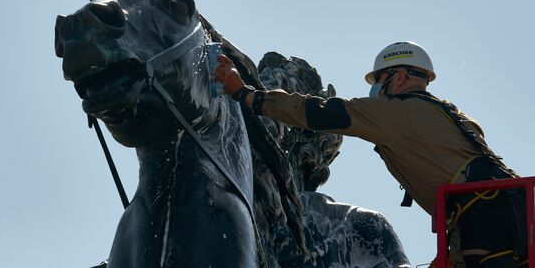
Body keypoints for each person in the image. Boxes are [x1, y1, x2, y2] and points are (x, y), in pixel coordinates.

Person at [214, 41, 527, 268]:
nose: (375, 89)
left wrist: (247, 94)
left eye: (379, 80)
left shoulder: (396, 113)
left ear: (399, 77)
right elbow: (461, 183)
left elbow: (318, 113)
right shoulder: (453, 116)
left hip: (488, 221)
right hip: (515, 214)